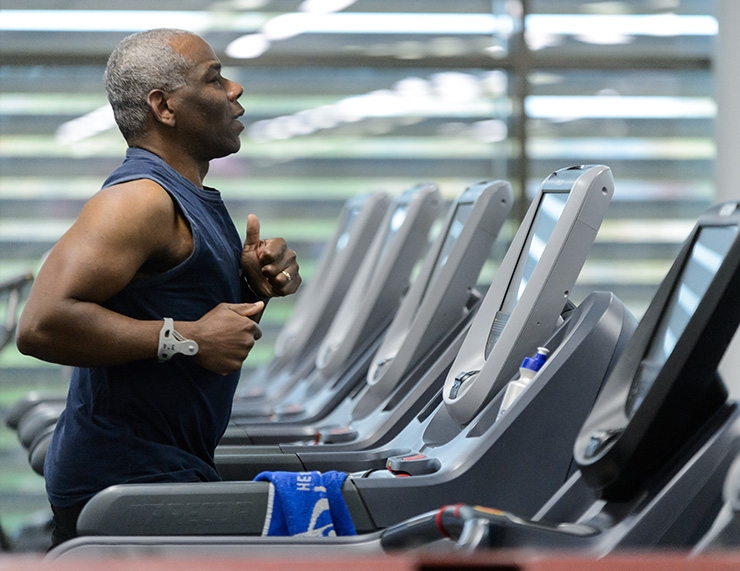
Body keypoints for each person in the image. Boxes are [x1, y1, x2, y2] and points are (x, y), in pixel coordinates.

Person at [16, 28, 301, 548]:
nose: (235, 90)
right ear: (164, 107)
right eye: (214, 79)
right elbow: (40, 324)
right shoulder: (139, 200)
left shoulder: (185, 196)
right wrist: (189, 336)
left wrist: (248, 281)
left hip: (161, 469)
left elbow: (169, 301)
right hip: (128, 485)